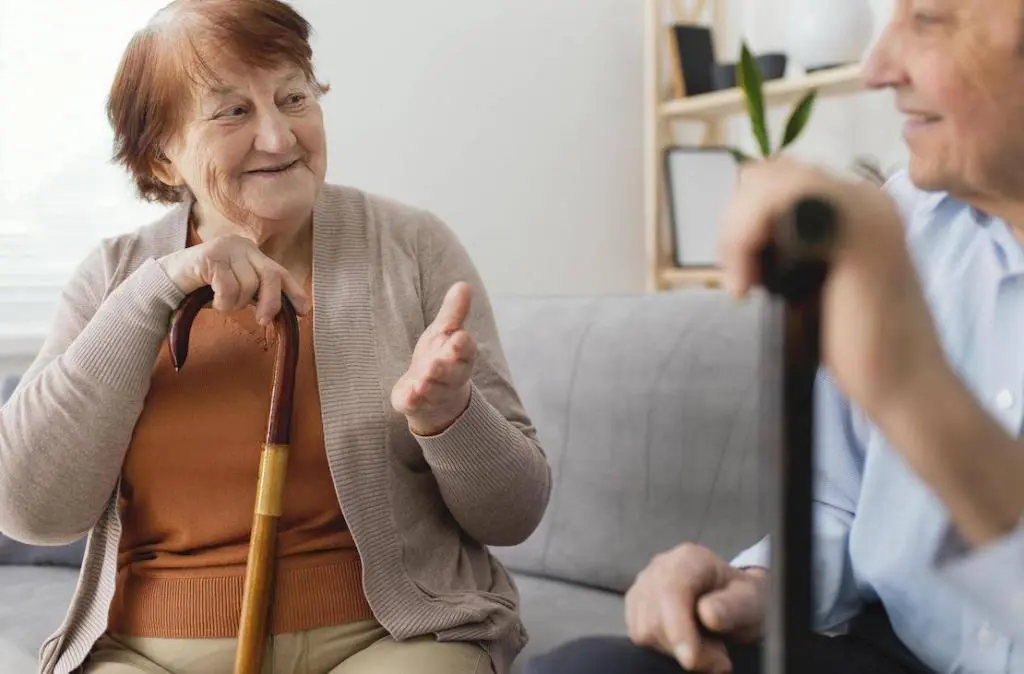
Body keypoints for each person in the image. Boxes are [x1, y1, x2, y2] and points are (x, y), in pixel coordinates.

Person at [0, 1, 551, 673]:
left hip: (393, 638)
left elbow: (515, 514)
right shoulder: (114, 276)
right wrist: (153, 292)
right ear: (163, 157)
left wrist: (450, 418)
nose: (278, 136)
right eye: (232, 111)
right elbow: (29, 510)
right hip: (151, 653)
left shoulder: (410, 247)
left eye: (293, 98)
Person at [527, 1, 1024, 673]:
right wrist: (758, 586)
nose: (878, 66)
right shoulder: (906, 224)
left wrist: (911, 390)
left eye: (929, 18)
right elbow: (838, 502)